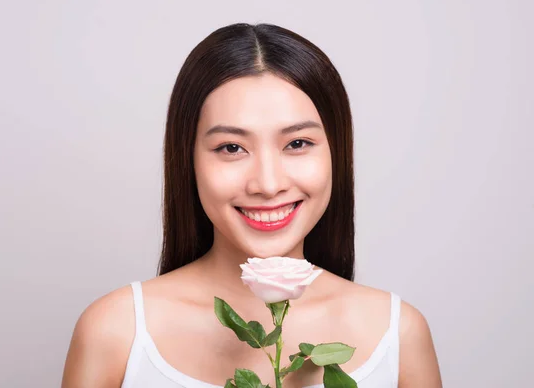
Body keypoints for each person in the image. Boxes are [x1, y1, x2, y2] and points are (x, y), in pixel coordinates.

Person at [61, 23, 442, 388]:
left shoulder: (399, 334)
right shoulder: (115, 332)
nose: (268, 184)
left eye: (297, 144)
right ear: (187, 159)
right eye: (231, 148)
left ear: (337, 153)